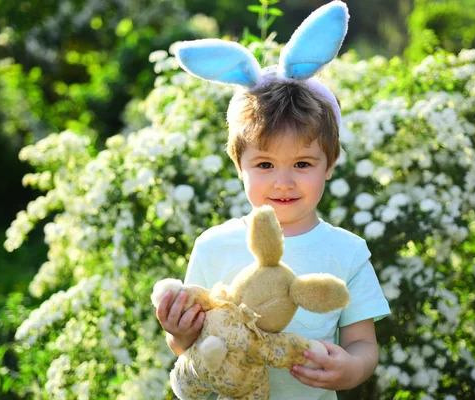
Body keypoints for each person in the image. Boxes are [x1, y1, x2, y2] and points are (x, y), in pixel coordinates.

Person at [156, 2, 391, 398]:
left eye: (302, 163)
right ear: (239, 166)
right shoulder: (212, 246)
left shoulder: (347, 252)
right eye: (264, 164)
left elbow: (363, 344)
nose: (283, 182)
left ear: (329, 164)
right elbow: (188, 347)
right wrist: (178, 333)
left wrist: (349, 369)